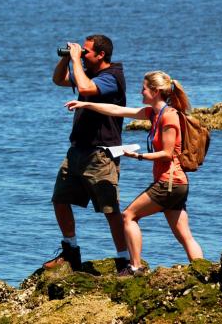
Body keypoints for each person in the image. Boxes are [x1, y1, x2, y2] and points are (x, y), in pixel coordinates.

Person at [65, 71, 204, 276]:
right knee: (184, 235)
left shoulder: (169, 117)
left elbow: (167, 154)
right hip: (174, 183)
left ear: (155, 91)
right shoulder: (153, 113)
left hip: (170, 183)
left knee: (128, 216)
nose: (141, 91)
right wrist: (86, 104)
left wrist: (137, 156)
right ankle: (203, 273)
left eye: (144, 88)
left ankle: (135, 267)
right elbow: (116, 110)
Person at [43, 34, 130, 272]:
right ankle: (70, 251)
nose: (82, 55)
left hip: (101, 154)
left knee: (110, 209)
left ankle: (124, 260)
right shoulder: (88, 71)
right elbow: (58, 80)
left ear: (101, 55)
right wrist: (66, 60)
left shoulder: (113, 77)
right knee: (60, 200)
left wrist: (75, 61)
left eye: (86, 52)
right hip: (77, 150)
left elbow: (84, 88)